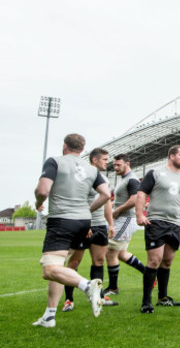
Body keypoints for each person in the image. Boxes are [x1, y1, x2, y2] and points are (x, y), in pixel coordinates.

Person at [33, 134, 110, 327]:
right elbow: (106, 194)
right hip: (84, 222)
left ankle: (87, 286)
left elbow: (43, 191)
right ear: (83, 150)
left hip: (61, 221)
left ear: (64, 146)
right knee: (56, 268)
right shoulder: (91, 170)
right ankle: (49, 316)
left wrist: (38, 203)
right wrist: (87, 210)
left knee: (50, 269)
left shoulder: (55, 162)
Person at [136, 145, 180, 313]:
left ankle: (162, 297)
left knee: (167, 261)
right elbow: (141, 193)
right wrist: (140, 214)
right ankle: (146, 301)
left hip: (174, 224)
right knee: (154, 260)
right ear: (171, 156)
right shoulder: (155, 173)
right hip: (156, 222)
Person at [62, 148, 117, 312]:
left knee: (99, 261)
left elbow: (107, 203)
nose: (108, 162)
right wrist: (84, 223)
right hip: (84, 225)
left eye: (108, 159)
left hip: (100, 225)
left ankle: (97, 297)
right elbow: (77, 200)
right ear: (94, 159)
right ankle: (68, 300)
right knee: (74, 262)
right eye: (105, 159)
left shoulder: (104, 179)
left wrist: (111, 223)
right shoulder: (83, 176)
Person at [104, 154, 146, 295]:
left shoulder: (132, 180)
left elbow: (134, 199)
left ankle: (113, 288)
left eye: (118, 165)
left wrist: (117, 211)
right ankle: (149, 274)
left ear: (127, 163)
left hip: (126, 219)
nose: (115, 167)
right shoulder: (123, 180)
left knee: (110, 252)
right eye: (114, 165)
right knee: (121, 254)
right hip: (122, 219)